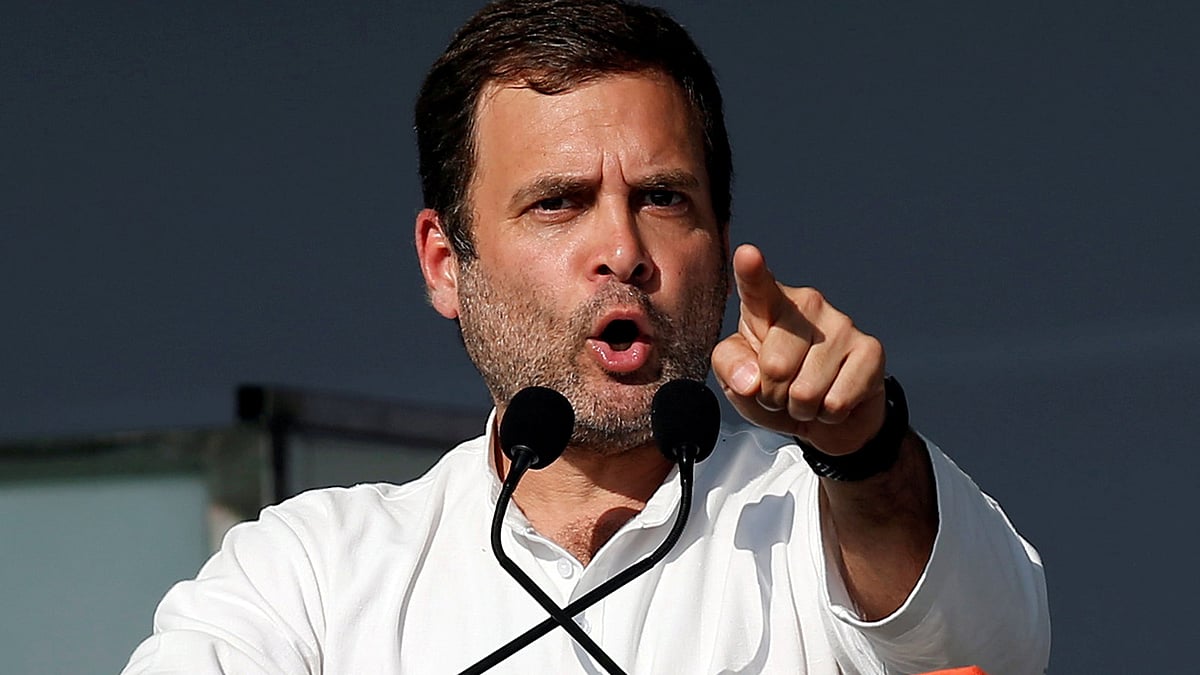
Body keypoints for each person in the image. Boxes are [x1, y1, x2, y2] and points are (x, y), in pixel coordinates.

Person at [122, 1, 1050, 673]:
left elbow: (984, 647)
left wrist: (865, 451)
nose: (623, 250)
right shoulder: (314, 572)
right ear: (447, 263)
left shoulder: (814, 520)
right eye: (559, 203)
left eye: (663, 198)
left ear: (720, 243)